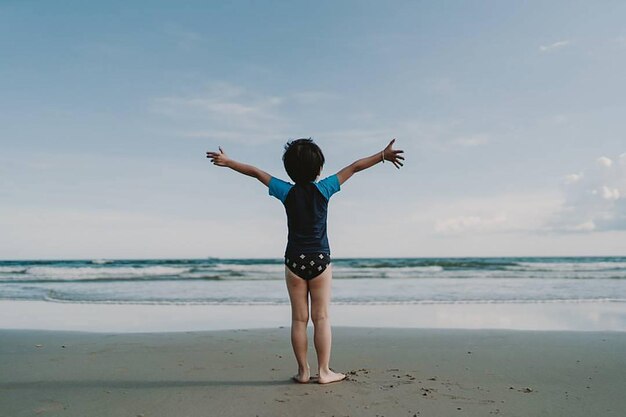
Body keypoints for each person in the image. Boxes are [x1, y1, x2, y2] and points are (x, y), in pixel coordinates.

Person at [206, 138, 404, 384]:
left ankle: (302, 372)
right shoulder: (325, 188)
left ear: (289, 169)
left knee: (299, 319)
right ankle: (323, 372)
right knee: (321, 317)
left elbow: (256, 173)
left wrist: (228, 162)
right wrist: (382, 155)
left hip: (294, 262)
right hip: (320, 259)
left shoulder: (286, 191)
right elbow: (354, 167)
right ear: (319, 168)